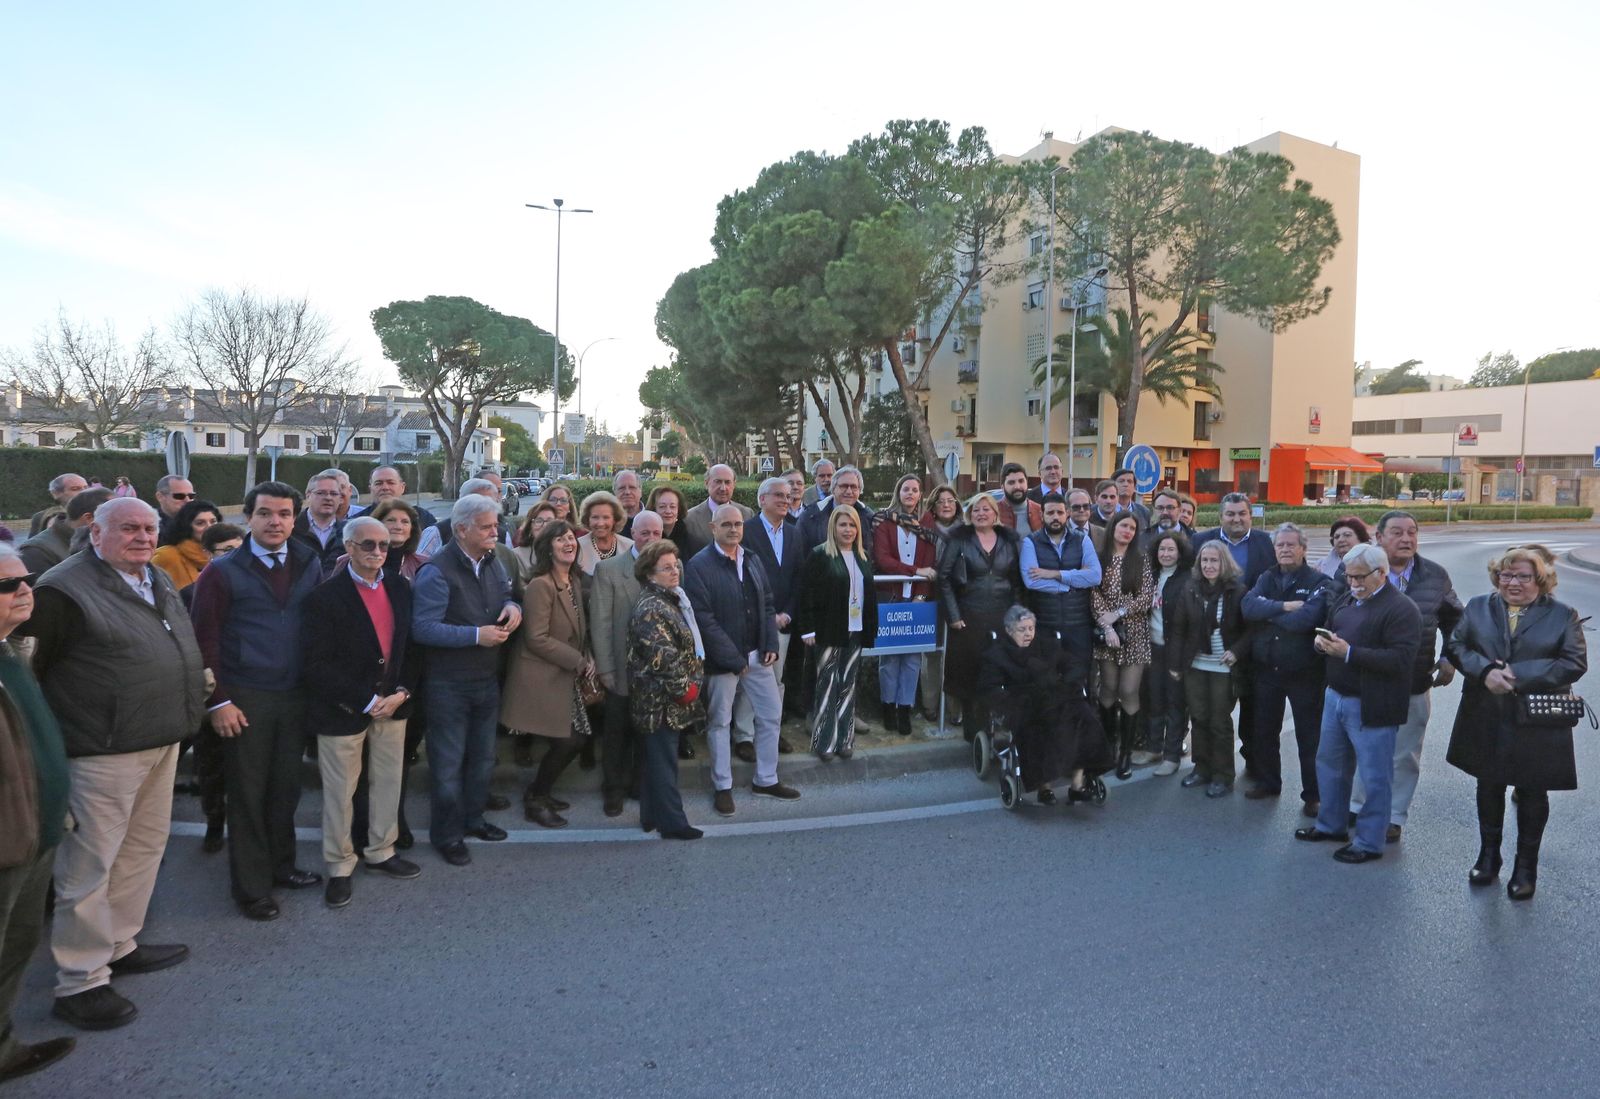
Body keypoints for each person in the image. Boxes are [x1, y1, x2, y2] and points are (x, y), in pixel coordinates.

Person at [23, 498, 205, 1028]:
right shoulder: (60, 591)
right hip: (100, 752)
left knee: (142, 851)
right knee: (88, 868)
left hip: (160, 739)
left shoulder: (153, 577)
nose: (143, 537)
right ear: (95, 533)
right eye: (128, 528)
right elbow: (30, 672)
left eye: (149, 528)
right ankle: (80, 981)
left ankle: (120, 944)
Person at [189, 482, 326, 920]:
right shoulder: (223, 571)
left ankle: (281, 866)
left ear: (294, 518)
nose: (275, 522)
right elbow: (204, 641)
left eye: (284, 514)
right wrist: (219, 702)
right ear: (248, 517)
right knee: (247, 795)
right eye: (265, 513)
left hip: (294, 695)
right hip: (244, 696)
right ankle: (251, 889)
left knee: (285, 789)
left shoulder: (308, 561)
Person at [1447, 545, 1587, 899]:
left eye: (1523, 576)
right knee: (1489, 784)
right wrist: (1485, 672)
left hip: (1536, 719)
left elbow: (1573, 663)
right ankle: (1489, 856)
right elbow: (1457, 645)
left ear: (1540, 580)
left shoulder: (1562, 615)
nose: (1513, 583)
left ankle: (1526, 867)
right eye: (1506, 575)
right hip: (1486, 712)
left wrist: (1516, 674)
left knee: (1532, 790)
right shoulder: (1479, 606)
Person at [301, 517, 421, 908]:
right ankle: (339, 866)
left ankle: (381, 851)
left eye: (384, 545)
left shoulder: (401, 588)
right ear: (348, 547)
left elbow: (412, 648)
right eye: (368, 544)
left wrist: (403, 691)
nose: (377, 552)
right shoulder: (324, 598)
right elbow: (315, 663)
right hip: (343, 709)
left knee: (388, 782)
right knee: (340, 793)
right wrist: (365, 701)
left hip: (393, 706)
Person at [1295, 542, 1422, 864]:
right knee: (1331, 766)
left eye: (1359, 577)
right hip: (1336, 696)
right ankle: (1331, 825)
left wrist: (1349, 653)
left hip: (1372, 704)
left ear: (1381, 574)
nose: (1353, 584)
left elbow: (1401, 659)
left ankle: (1368, 842)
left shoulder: (1401, 609)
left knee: (1374, 776)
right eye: (1349, 577)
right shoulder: (1349, 598)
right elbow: (1336, 630)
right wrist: (1322, 643)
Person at [411, 495, 521, 865]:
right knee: (447, 764)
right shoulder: (436, 570)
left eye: (496, 525)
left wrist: (512, 607)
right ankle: (447, 835)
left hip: (485, 680)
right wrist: (477, 635)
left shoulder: (490, 561)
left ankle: (473, 820)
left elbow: (506, 593)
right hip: (448, 685)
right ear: (461, 529)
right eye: (488, 526)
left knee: (482, 759)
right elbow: (423, 629)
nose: (496, 531)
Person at [1343, 510, 1463, 843]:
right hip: (1365, 679)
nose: (1407, 538)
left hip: (1413, 680)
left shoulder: (1435, 576)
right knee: (1364, 747)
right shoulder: (1361, 571)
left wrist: (1449, 657)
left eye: (1412, 532)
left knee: (1404, 753)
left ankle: (1393, 815)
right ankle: (1358, 806)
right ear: (1378, 537)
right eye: (1397, 532)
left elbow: (1457, 621)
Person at [0, 546, 75, 1082]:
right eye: (8, 585)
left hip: (37, 829)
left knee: (21, 942)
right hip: (7, 837)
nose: (26, 589)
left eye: (25, 579)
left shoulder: (11, 650)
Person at [683, 503, 799, 815]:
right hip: (724, 661)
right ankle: (723, 786)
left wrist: (770, 642)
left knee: (771, 715)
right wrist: (732, 658)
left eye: (738, 524)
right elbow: (703, 619)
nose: (734, 529)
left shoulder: (752, 559)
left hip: (758, 655)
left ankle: (766, 779)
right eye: (726, 525)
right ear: (713, 528)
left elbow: (766, 602)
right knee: (720, 722)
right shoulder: (698, 566)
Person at [501, 520, 593, 829]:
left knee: (574, 740)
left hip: (562, 676)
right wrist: (578, 661)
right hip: (540, 677)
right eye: (559, 539)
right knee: (570, 741)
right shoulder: (541, 584)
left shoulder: (573, 580)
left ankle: (539, 792)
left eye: (570, 537)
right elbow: (536, 638)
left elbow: (578, 629)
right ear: (547, 548)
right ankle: (536, 799)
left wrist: (586, 655)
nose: (568, 542)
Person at [977, 605, 1112, 804]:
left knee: (1086, 718)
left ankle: (1077, 784)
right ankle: (1044, 787)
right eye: (1022, 629)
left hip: (1058, 696)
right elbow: (990, 688)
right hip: (1025, 703)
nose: (1028, 634)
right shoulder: (998, 655)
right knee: (1039, 728)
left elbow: (1074, 665)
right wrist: (1010, 702)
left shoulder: (1047, 646)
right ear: (1008, 631)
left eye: (1031, 628)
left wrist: (1067, 683)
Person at [1241, 523, 1330, 814]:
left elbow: (1305, 620)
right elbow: (1248, 607)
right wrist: (1285, 606)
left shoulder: (1319, 581)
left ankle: (1313, 795)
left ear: (1303, 548)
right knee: (1265, 730)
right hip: (1267, 669)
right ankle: (1268, 782)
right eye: (1280, 545)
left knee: (1309, 736)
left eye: (1291, 545)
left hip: (1304, 672)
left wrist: (1270, 611)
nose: (1285, 549)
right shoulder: (1267, 577)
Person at [626, 541, 706, 840]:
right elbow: (664, 657)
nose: (675, 572)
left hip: (661, 698)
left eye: (676, 565)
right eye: (667, 568)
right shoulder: (651, 608)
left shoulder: (670, 598)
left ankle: (650, 815)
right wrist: (686, 691)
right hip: (659, 700)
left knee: (653, 761)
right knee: (662, 762)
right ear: (649, 574)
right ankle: (673, 823)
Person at [1194, 492, 1274, 781]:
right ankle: (1204, 766)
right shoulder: (1201, 541)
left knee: (1252, 705)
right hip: (1213, 642)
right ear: (1221, 517)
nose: (1236, 519)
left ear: (1250, 515)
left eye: (1242, 514)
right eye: (1230, 514)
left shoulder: (1266, 543)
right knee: (1210, 711)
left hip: (1253, 636)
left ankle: (1251, 760)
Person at [591, 510, 664, 816]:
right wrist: (605, 668)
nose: (649, 539)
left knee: (647, 733)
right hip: (620, 668)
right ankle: (613, 789)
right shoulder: (608, 570)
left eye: (655, 534)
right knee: (616, 733)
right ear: (632, 533)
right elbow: (601, 623)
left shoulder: (670, 568)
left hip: (656, 670)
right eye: (643, 533)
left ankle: (638, 784)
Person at [936, 493, 1022, 738]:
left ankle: (995, 727)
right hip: (968, 617)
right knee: (969, 673)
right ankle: (973, 733)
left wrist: (1016, 618)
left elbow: (1017, 583)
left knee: (997, 671)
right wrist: (953, 615)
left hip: (1002, 616)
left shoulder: (1010, 541)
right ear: (969, 515)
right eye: (976, 510)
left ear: (995, 514)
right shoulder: (959, 540)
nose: (981, 513)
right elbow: (944, 578)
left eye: (986, 509)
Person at [1168, 541, 1248, 798]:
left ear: (1223, 562)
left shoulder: (1237, 591)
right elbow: (1179, 628)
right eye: (1205, 561)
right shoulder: (1190, 589)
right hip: (1196, 664)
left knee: (1219, 721)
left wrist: (1236, 651)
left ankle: (1223, 775)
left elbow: (1251, 630)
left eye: (1214, 561)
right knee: (1199, 717)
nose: (1209, 566)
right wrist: (1177, 664)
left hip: (1223, 667)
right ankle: (1201, 768)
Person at [798, 506, 879, 760]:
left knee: (848, 685)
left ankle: (844, 740)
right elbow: (806, 594)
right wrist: (808, 629)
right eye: (843, 525)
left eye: (852, 525)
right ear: (833, 527)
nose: (848, 530)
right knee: (827, 685)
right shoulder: (820, 555)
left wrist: (871, 628)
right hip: (828, 630)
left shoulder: (863, 557)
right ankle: (824, 743)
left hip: (855, 631)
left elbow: (870, 597)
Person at [1091, 511, 1155, 779]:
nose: (1127, 531)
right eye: (1123, 525)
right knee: (1107, 688)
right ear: (1113, 527)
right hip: (1106, 633)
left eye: (1132, 528)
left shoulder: (1140, 559)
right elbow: (1092, 591)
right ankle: (1109, 746)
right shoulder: (1099, 557)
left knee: (1128, 690)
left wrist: (1117, 615)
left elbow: (1146, 596)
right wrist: (1107, 627)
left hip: (1135, 632)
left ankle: (1126, 753)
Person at [740, 479, 802, 754]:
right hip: (752, 620)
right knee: (750, 678)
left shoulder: (794, 533)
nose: (785, 500)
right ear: (762, 499)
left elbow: (798, 577)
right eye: (778, 495)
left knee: (776, 680)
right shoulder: (746, 531)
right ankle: (744, 736)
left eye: (788, 496)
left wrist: (787, 612)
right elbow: (740, 578)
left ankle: (771, 731)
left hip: (783, 622)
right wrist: (766, 616)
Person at [873, 474, 938, 735]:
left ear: (920, 494)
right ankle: (888, 706)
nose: (910, 493)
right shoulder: (884, 520)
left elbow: (930, 565)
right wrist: (914, 570)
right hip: (890, 596)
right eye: (905, 489)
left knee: (912, 658)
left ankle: (905, 708)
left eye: (915, 490)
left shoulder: (927, 522)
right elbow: (883, 559)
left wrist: (920, 595)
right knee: (889, 658)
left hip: (917, 598)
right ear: (898, 492)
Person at [1019, 491, 1101, 672]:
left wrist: (1055, 574)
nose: (1055, 517)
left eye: (1060, 512)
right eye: (1050, 513)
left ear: (1067, 513)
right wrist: (1072, 585)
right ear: (1042, 515)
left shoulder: (1082, 540)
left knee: (1079, 681)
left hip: (1079, 626)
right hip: (1045, 625)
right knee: (1047, 680)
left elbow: (1095, 576)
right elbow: (1031, 582)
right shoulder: (1031, 542)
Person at [1143, 529, 1193, 776]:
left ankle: (1171, 756)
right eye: (1162, 549)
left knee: (1175, 702)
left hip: (1176, 650)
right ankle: (1154, 746)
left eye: (1171, 549)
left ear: (1180, 552)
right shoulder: (1150, 576)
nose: (1165, 553)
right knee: (1154, 699)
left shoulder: (1187, 579)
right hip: (1152, 647)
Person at [150, 499, 224, 590]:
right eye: (200, 523)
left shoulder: (223, 554)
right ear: (187, 526)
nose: (209, 527)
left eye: (213, 522)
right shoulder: (166, 556)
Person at [798, 465, 871, 553]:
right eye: (844, 486)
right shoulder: (810, 516)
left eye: (853, 487)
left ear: (860, 491)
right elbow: (800, 552)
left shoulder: (869, 518)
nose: (849, 491)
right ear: (833, 488)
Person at [291, 470, 348, 578]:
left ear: (340, 499)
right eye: (321, 493)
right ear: (308, 496)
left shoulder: (349, 532)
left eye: (334, 494)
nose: (328, 498)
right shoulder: (291, 529)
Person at [683, 464, 752, 548]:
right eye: (718, 482)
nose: (723, 488)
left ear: (734, 485)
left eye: (727, 482)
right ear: (706, 483)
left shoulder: (747, 514)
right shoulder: (690, 518)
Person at [365, 498, 431, 582]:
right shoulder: (351, 561)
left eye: (405, 522)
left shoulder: (424, 564)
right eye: (391, 520)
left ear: (412, 529)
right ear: (376, 524)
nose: (398, 527)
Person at [355, 466, 437, 528]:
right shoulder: (357, 522)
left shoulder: (422, 518)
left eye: (391, 483)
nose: (385, 488)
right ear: (370, 489)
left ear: (402, 487)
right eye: (378, 483)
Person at [577, 490, 632, 576]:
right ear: (588, 520)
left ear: (615, 520)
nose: (600, 523)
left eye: (606, 517)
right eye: (595, 517)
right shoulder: (577, 547)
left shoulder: (629, 546)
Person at [646, 484, 700, 560]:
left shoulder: (691, 541)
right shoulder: (645, 538)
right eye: (662, 506)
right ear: (654, 509)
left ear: (679, 509)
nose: (668, 511)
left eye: (672, 506)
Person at [28, 472, 87, 537]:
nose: (84, 492)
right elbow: (30, 545)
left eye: (86, 487)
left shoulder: (97, 512)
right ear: (56, 493)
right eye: (75, 489)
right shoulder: (40, 517)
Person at [994, 462, 1043, 533]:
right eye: (1011, 482)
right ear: (1002, 487)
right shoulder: (993, 512)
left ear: (1027, 483)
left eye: (1021, 481)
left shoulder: (1040, 511)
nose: (1017, 486)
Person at [152, 474, 197, 546]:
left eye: (191, 496)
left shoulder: (202, 522)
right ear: (160, 497)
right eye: (179, 496)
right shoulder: (150, 526)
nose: (187, 500)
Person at [613, 470, 644, 536]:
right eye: (622, 488)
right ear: (615, 492)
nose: (627, 492)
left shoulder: (654, 519)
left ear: (640, 492)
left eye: (632, 487)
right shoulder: (607, 522)